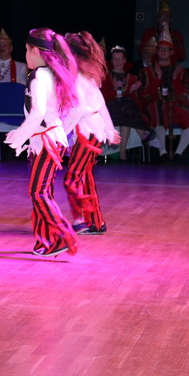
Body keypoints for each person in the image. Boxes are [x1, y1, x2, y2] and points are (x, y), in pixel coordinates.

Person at [5, 28, 79, 257]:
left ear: (36, 51)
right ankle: (45, 240)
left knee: (38, 192)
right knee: (42, 191)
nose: (25, 55)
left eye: (27, 50)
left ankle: (62, 235)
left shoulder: (39, 76)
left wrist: (18, 136)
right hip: (46, 139)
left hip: (47, 141)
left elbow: (38, 113)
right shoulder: (49, 74)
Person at [62, 32, 121, 235]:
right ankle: (94, 221)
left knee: (73, 177)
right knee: (84, 176)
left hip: (87, 132)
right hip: (92, 131)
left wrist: (60, 133)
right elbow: (100, 103)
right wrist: (109, 129)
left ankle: (83, 220)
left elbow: (79, 110)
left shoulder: (79, 77)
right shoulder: (84, 75)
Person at [138, 26, 189, 161]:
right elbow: (145, 94)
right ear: (157, 51)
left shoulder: (179, 70)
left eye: (166, 49)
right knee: (157, 110)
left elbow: (185, 93)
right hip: (155, 105)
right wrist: (157, 79)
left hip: (175, 104)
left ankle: (178, 153)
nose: (163, 52)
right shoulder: (147, 71)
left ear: (171, 52)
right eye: (160, 49)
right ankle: (162, 152)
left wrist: (175, 81)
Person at [100, 45, 155, 161]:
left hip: (126, 110)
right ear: (111, 61)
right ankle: (142, 134)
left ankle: (123, 154)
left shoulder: (132, 78)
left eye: (120, 59)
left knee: (127, 108)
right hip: (111, 109)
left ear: (125, 60)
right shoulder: (106, 77)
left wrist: (135, 88)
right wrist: (114, 90)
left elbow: (135, 100)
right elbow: (102, 98)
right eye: (115, 59)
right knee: (127, 107)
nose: (118, 62)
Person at [138, 0, 186, 64]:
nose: (164, 20)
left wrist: (170, 42)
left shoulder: (176, 35)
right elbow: (141, 51)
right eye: (161, 18)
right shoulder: (149, 32)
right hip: (152, 65)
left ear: (171, 20)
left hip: (170, 67)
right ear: (157, 20)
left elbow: (182, 56)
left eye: (166, 18)